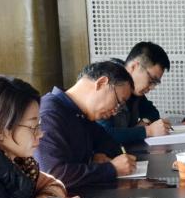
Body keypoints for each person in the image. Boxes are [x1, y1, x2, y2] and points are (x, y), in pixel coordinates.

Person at [34, 61, 137, 189]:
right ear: (101, 83)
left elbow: (111, 145)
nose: (115, 111)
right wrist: (111, 169)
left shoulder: (81, 114)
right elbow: (53, 175)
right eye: (118, 102)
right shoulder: (50, 114)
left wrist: (97, 155)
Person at [97, 41, 172, 144]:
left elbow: (152, 113)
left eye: (155, 83)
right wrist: (147, 131)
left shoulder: (135, 90)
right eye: (151, 80)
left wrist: (144, 122)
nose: (152, 87)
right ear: (134, 67)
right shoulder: (109, 84)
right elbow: (103, 135)